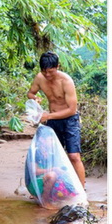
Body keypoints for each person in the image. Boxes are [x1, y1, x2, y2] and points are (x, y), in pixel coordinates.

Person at [27, 52, 85, 188]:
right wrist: (35, 98)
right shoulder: (40, 78)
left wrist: (48, 116)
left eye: (51, 71)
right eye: (44, 71)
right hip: (53, 121)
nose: (47, 75)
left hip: (70, 121)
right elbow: (30, 93)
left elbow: (71, 109)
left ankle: (81, 190)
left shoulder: (66, 81)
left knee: (74, 156)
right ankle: (50, 188)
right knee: (51, 157)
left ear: (58, 66)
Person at [25, 126, 82, 209]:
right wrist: (53, 170)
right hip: (35, 183)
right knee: (52, 175)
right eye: (50, 139)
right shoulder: (35, 152)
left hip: (45, 180)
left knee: (68, 185)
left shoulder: (51, 152)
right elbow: (34, 171)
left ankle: (50, 197)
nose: (53, 142)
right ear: (41, 140)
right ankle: (44, 201)